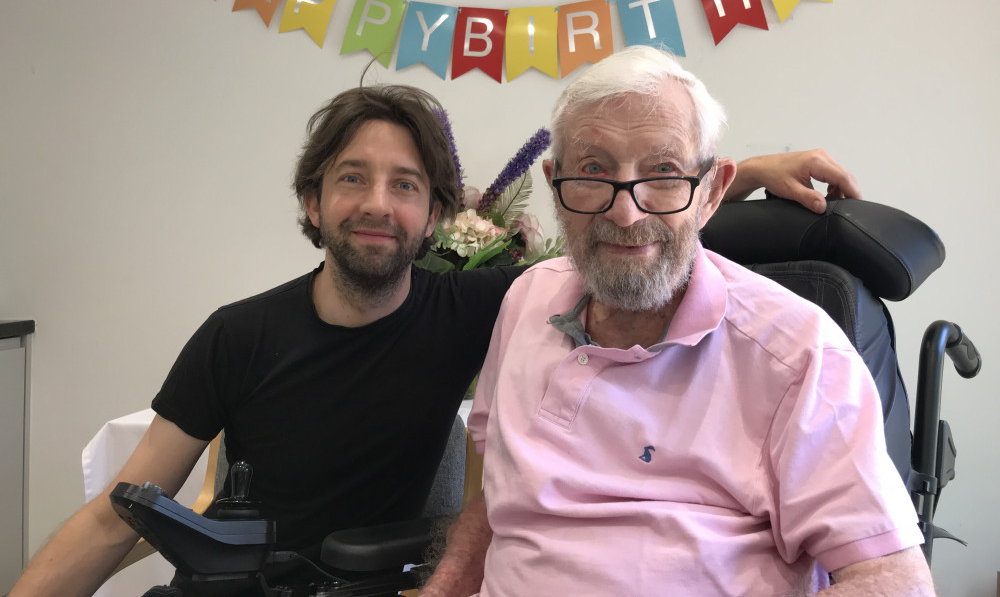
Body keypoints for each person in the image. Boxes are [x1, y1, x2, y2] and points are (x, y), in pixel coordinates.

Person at [10, 81, 859, 597]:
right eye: (352, 178)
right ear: (312, 203)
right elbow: (115, 520)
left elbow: (612, 232)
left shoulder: (486, 308)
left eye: (406, 185)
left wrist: (733, 176)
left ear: (435, 215)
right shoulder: (236, 335)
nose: (379, 202)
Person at [421, 46, 932, 597]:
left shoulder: (799, 354)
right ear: (555, 186)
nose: (626, 212)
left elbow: (892, 581)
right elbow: (494, 501)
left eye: (663, 172)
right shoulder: (526, 301)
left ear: (710, 192)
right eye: (593, 170)